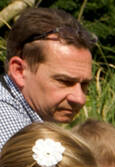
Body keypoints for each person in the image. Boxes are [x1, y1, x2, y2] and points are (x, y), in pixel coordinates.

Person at [0, 8, 96, 151]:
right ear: (19, 71)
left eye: (84, 85)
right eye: (64, 82)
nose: (80, 98)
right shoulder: (13, 134)